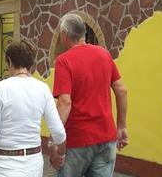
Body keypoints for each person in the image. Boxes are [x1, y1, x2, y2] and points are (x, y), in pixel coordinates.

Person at [51, 13, 128, 177]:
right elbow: (121, 90)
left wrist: (55, 139)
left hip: (77, 139)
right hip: (106, 137)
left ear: (64, 35)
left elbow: (65, 102)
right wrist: (121, 126)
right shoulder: (104, 54)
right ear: (82, 33)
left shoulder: (64, 61)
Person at [0, 41, 66, 177]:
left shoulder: (0, 88)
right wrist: (60, 153)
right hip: (33, 165)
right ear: (30, 64)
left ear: (9, 61)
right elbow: (59, 133)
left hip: (4, 166)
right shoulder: (42, 89)